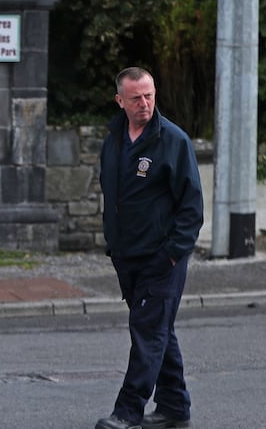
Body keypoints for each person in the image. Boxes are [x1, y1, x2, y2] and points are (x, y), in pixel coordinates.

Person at [95, 67, 203, 429]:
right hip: (127, 256)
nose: (144, 104)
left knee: (147, 331)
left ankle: (127, 411)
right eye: (136, 98)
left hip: (162, 258)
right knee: (158, 329)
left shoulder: (173, 140)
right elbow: (111, 195)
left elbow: (191, 207)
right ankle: (174, 405)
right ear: (120, 101)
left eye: (149, 96)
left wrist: (173, 252)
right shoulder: (113, 139)